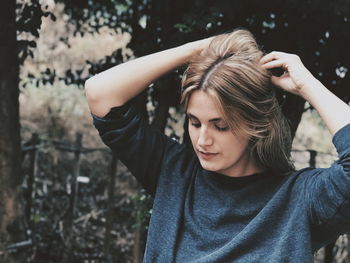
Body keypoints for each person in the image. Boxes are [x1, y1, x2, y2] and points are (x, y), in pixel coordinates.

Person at [85, 29, 350, 262]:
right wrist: (200, 50)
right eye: (195, 123)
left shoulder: (301, 200)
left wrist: (308, 85)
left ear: (256, 124)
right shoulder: (173, 172)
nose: (202, 140)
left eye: (220, 126)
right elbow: (100, 93)